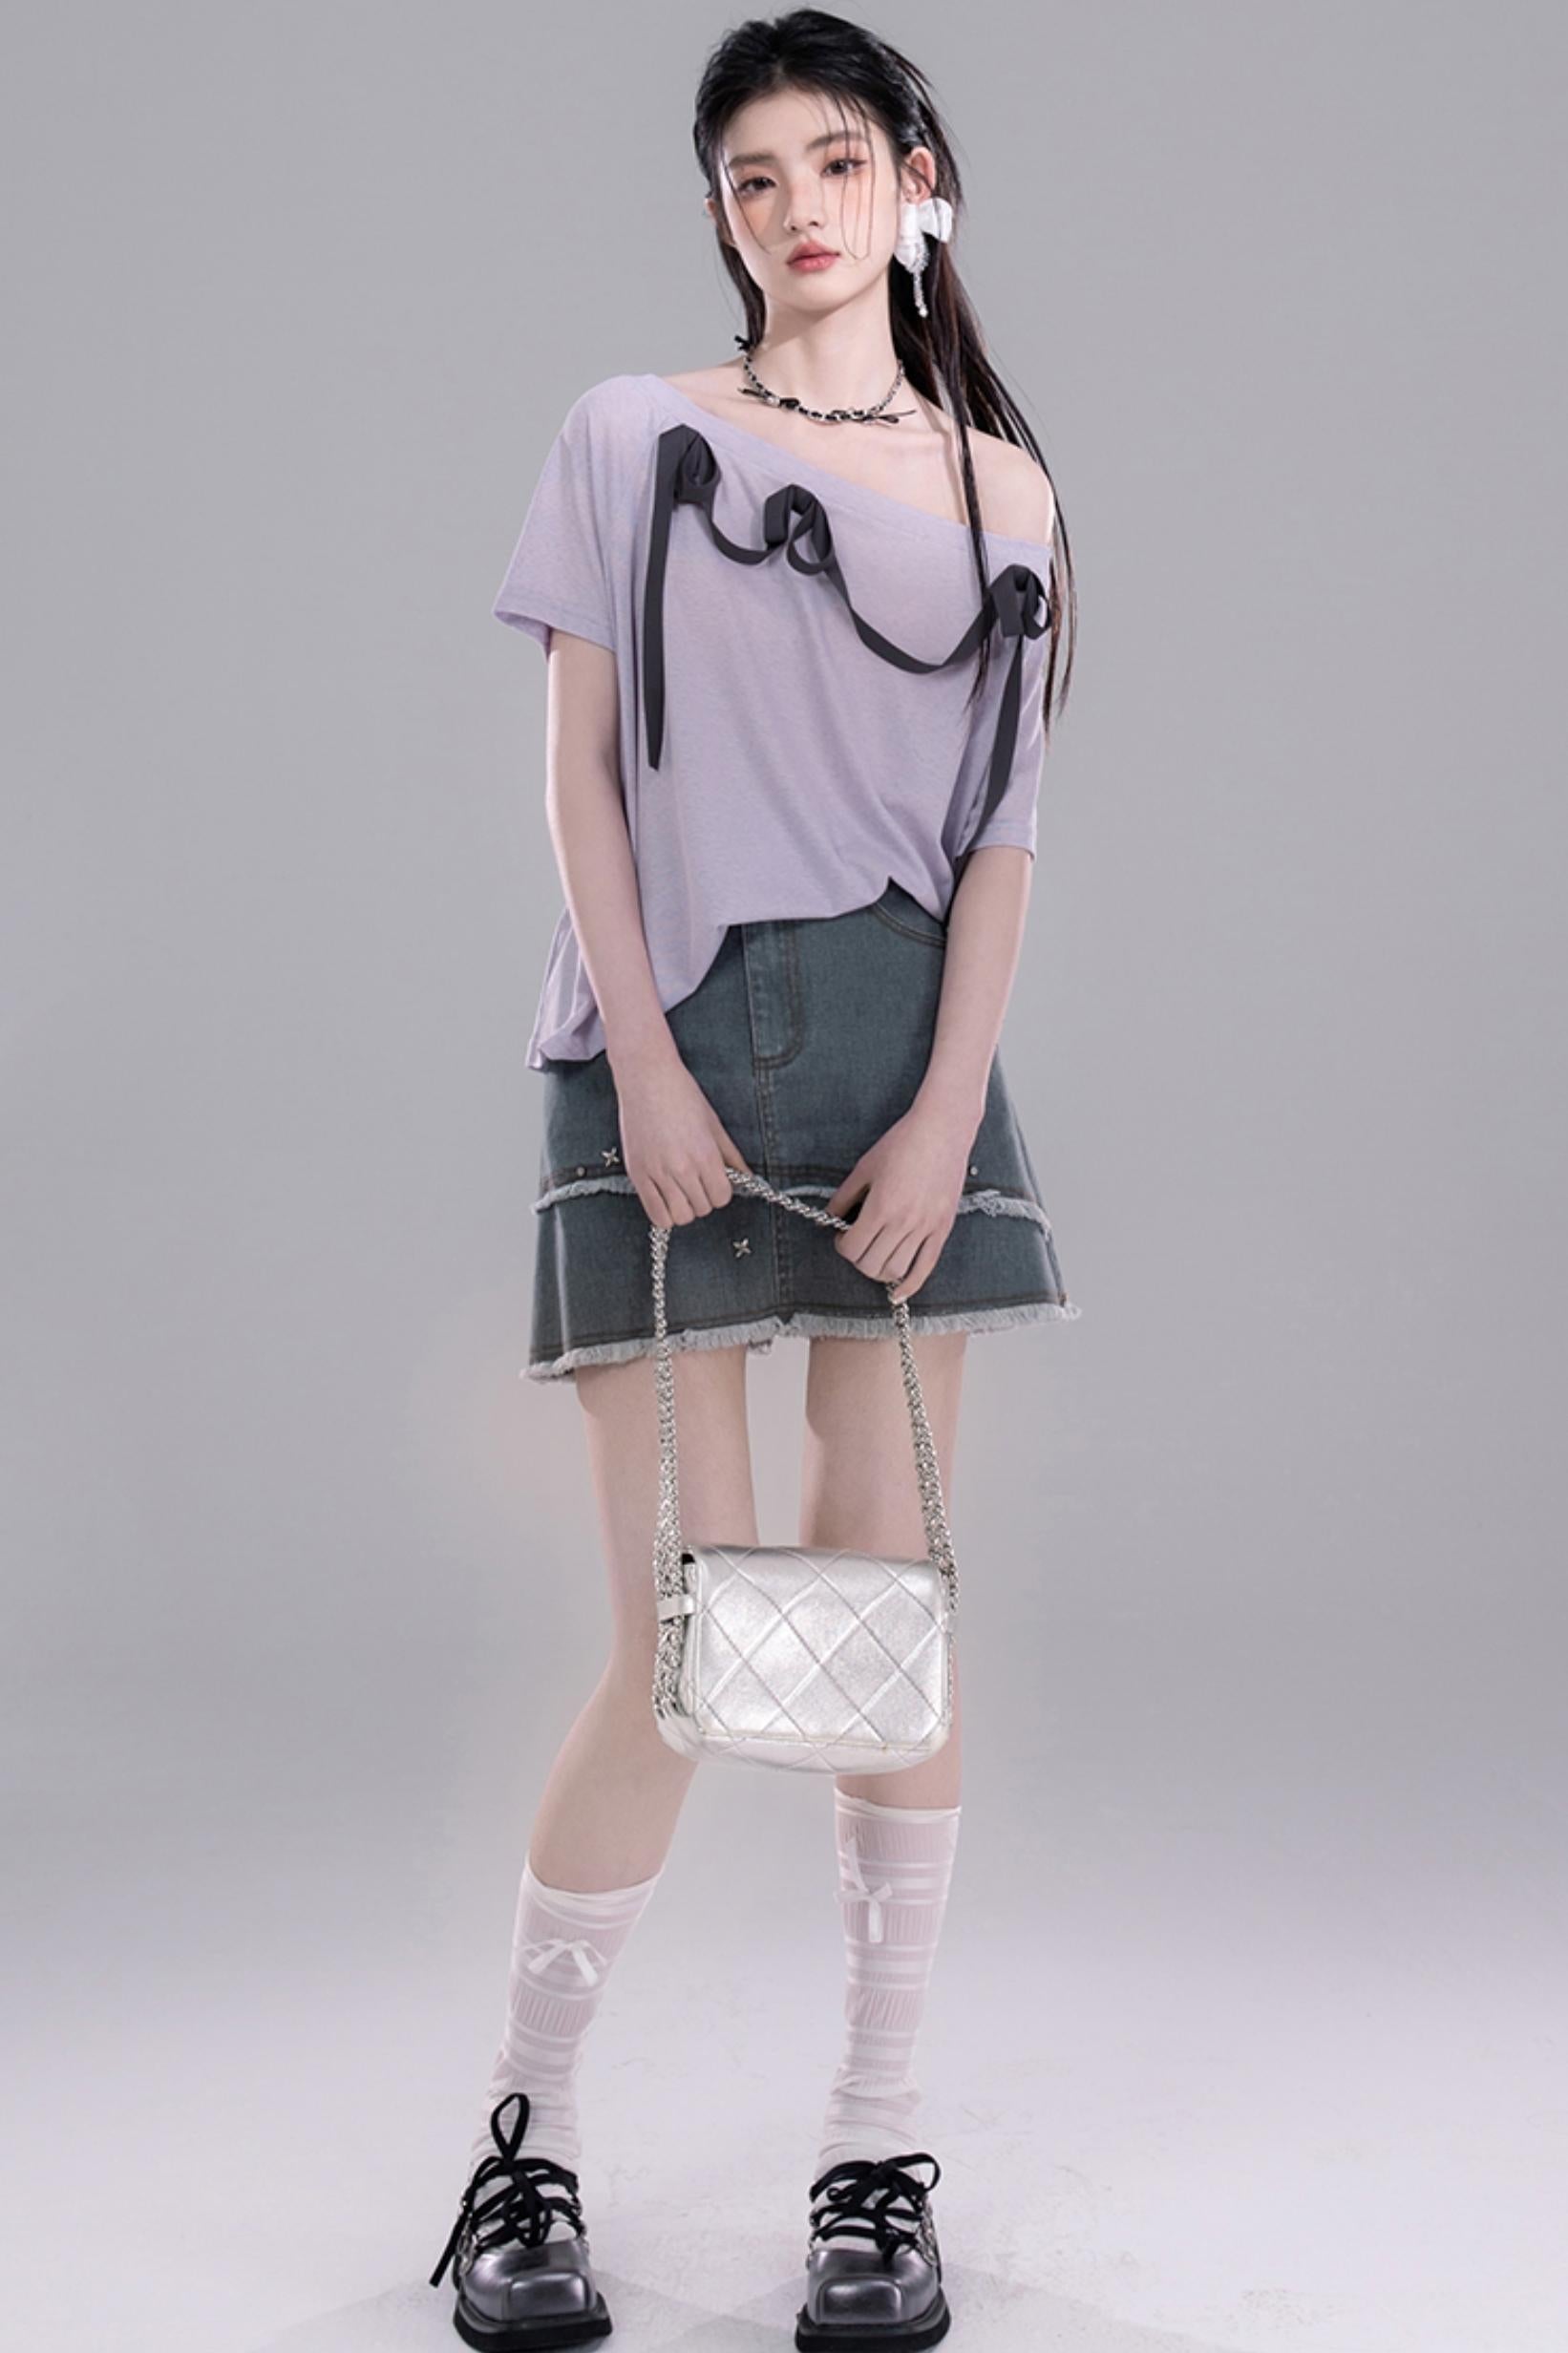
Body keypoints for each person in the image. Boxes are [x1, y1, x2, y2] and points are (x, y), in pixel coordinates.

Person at [430, 11, 1081, 2347]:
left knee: (890, 1616)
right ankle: (523, 2144)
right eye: (749, 176)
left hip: (905, 1062)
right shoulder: (633, 433)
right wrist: (640, 1070)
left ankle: (872, 2151)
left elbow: (998, 839)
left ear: (916, 181)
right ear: (718, 215)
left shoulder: (1010, 498)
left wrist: (946, 1105)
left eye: (832, 159)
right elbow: (580, 776)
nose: (795, 205)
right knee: (684, 1645)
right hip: (668, 1051)